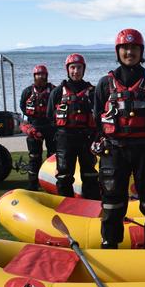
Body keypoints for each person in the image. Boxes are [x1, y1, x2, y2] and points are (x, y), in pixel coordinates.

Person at [93, 28, 145, 249]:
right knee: (111, 203)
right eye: (125, 48)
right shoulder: (103, 84)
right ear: (118, 51)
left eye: (134, 48)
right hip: (114, 152)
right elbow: (96, 119)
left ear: (141, 51)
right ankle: (110, 242)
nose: (130, 52)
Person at [46, 54, 100, 199]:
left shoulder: (93, 92)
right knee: (64, 176)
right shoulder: (57, 92)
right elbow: (50, 117)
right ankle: (66, 205)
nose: (76, 71)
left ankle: (91, 205)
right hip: (65, 139)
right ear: (67, 70)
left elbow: (101, 116)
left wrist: (96, 137)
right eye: (73, 68)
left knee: (89, 174)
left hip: (87, 138)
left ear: (84, 69)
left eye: (79, 68)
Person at [19, 65, 56, 190]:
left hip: (51, 127)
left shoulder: (54, 90)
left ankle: (52, 183)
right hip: (34, 127)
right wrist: (30, 125)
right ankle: (33, 184)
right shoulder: (27, 92)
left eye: (43, 74)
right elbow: (23, 107)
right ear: (34, 76)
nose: (40, 76)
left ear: (46, 76)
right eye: (38, 74)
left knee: (53, 157)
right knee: (34, 157)